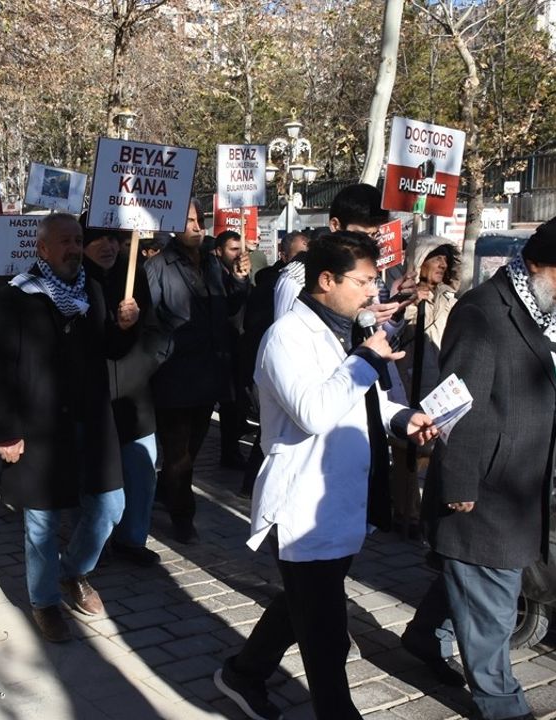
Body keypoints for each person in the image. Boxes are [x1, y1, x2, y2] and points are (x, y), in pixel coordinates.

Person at [213, 232, 438, 720]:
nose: (372, 293)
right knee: (326, 633)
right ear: (326, 279)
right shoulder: (287, 337)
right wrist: (367, 359)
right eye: (364, 282)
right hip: (302, 504)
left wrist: (403, 420)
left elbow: (363, 401)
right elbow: (314, 411)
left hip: (341, 501)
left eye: (374, 281)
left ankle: (243, 672)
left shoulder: (348, 330)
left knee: (303, 607)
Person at [401, 214, 556, 720]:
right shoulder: (484, 311)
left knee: (471, 572)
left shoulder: (539, 310)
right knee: (494, 594)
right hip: (485, 482)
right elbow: (458, 403)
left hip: (518, 477)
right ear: (536, 263)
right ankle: (503, 704)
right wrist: (459, 480)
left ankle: (425, 637)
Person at [0, 213, 138, 642]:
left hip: (91, 420)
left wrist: (124, 327)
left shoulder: (92, 289)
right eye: (64, 241)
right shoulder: (18, 296)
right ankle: (45, 601)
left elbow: (108, 348)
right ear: (42, 249)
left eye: (77, 240)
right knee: (42, 521)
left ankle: (74, 572)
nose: (73, 248)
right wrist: (5, 432)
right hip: (40, 426)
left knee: (111, 505)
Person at [145, 199, 248, 543]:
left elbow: (226, 308)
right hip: (174, 374)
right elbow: (149, 318)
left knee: (192, 448)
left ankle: (167, 493)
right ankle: (182, 516)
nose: (196, 226)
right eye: (188, 220)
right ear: (173, 226)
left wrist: (239, 282)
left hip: (209, 374)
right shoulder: (157, 266)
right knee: (178, 454)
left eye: (199, 220)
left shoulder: (213, 264)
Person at [81, 221, 164, 566]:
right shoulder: (71, 281)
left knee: (141, 471)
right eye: (98, 238)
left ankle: (132, 539)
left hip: (134, 394)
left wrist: (148, 359)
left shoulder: (137, 276)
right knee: (95, 476)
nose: (108, 246)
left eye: (114, 238)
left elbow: (155, 329)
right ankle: (90, 543)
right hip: (93, 395)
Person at [392, 237, 460, 529]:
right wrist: (408, 304)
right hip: (408, 381)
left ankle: (425, 511)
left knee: (432, 451)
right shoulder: (402, 295)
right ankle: (404, 511)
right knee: (406, 448)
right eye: (436, 258)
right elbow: (390, 332)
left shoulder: (450, 299)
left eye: (446, 260)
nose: (442, 264)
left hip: (439, 384)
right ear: (420, 261)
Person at [273, 184, 412, 325]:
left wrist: (393, 311)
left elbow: (382, 334)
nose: (369, 243)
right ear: (335, 225)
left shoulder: (372, 276)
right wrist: (358, 323)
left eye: (375, 234)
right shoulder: (298, 276)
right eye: (361, 235)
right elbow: (286, 333)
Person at [213, 230, 254, 469]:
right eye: (233, 249)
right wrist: (238, 281)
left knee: (234, 403)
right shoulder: (214, 274)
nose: (239, 254)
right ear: (219, 251)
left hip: (238, 347)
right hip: (219, 349)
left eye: (241, 249)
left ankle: (230, 450)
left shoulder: (244, 272)